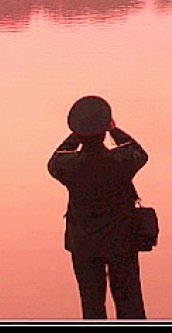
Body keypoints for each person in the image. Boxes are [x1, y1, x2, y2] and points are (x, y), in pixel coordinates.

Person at [47, 95, 148, 319]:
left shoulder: (69, 165)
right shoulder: (120, 160)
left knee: (91, 305)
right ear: (104, 129)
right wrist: (114, 129)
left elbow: (53, 160)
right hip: (122, 242)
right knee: (129, 302)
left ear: (78, 133)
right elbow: (140, 153)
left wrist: (75, 136)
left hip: (83, 245)